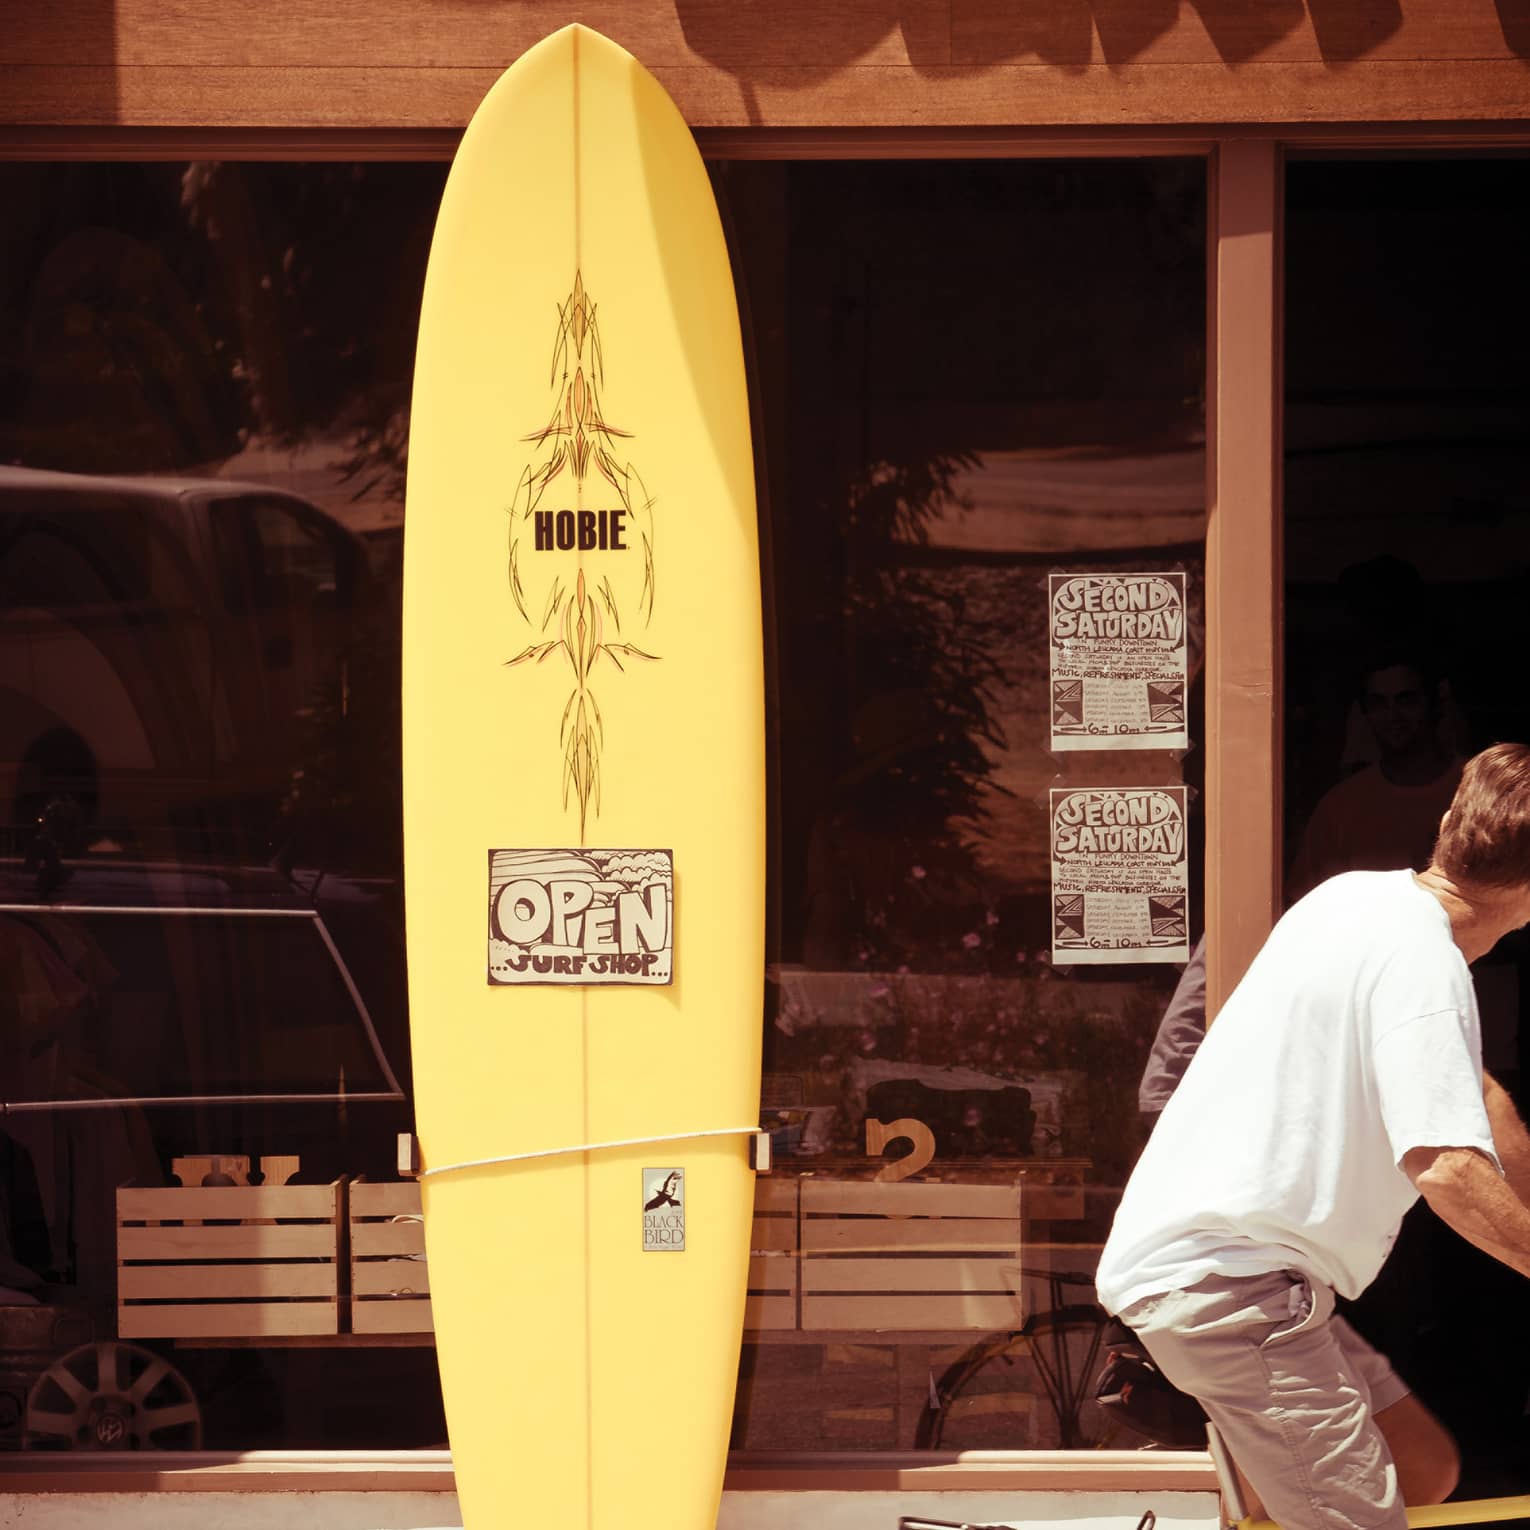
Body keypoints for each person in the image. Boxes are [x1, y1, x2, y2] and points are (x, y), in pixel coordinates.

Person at [1095, 743, 1530, 1530]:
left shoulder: (1357, 901)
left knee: (1420, 1464)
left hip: (1250, 1279)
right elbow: (1445, 1168)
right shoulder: (1422, 967)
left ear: (1447, 823)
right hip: (1234, 1293)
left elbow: (1475, 1102)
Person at [1287, 647, 1464, 900]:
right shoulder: (1340, 807)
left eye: (1406, 700)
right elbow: (1303, 903)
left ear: (1435, 702)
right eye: (1379, 702)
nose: (1393, 716)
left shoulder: (1477, 790)